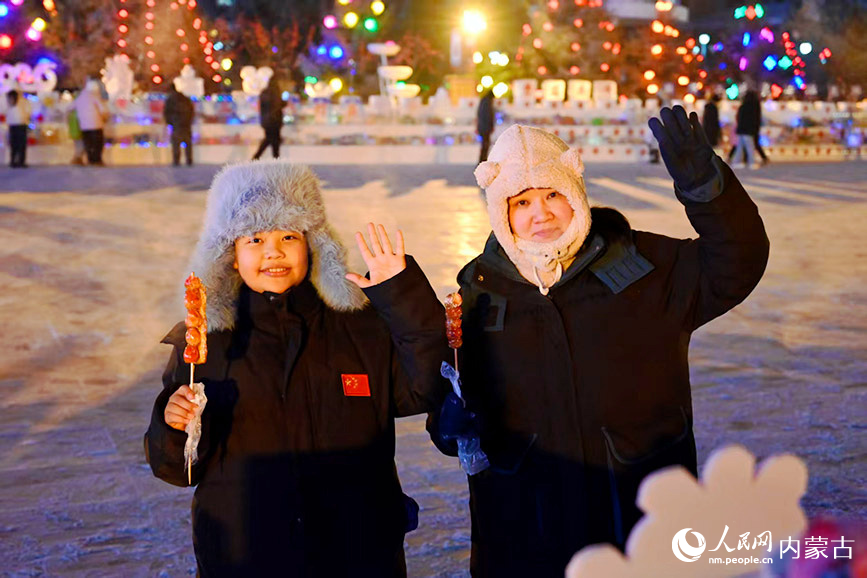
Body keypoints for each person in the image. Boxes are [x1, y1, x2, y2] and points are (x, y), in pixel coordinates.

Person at [428, 107, 769, 576]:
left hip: (640, 522)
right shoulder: (480, 294)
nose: (541, 214)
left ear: (575, 191)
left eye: (552, 194)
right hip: (527, 533)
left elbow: (736, 262)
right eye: (521, 202)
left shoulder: (642, 267)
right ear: (500, 212)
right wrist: (446, 425)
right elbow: (454, 403)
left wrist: (707, 188)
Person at [144, 160, 449, 577]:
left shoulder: (357, 326)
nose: (274, 251)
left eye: (289, 236)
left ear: (313, 243)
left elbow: (426, 388)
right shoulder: (206, 343)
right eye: (255, 238)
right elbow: (179, 469)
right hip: (247, 556)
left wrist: (403, 298)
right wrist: (174, 425)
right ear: (230, 255)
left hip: (356, 552)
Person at [75, 79, 108, 166]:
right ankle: (97, 160)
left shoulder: (79, 98)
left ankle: (90, 160)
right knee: (97, 144)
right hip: (96, 124)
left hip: (84, 126)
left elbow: (70, 108)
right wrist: (105, 117)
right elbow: (103, 109)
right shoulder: (94, 96)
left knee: (88, 144)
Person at [728, 89, 763, 168]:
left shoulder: (743, 106)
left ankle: (736, 162)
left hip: (741, 129)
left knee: (740, 146)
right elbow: (755, 120)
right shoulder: (754, 107)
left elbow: (738, 117)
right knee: (750, 146)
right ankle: (751, 162)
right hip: (748, 130)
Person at [252, 77, 284, 160]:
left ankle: (272, 157)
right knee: (272, 140)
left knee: (270, 139)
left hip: (266, 121)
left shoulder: (264, 92)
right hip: (275, 121)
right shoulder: (275, 93)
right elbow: (279, 105)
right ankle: (273, 158)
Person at [164, 84, 194, 166]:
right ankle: (189, 160)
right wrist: (189, 120)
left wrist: (169, 122)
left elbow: (167, 112)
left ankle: (176, 160)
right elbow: (191, 110)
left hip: (176, 124)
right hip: (186, 124)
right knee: (188, 142)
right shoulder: (185, 98)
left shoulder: (170, 99)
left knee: (176, 143)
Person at [5, 90, 30, 168]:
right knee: (14, 145)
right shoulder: (7, 103)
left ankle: (21, 162)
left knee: (22, 145)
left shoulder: (23, 102)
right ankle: (13, 161)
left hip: (21, 125)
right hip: (13, 126)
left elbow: (28, 111)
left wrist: (25, 119)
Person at [477, 89, 495, 163]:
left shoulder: (483, 101)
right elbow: (488, 116)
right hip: (486, 127)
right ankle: (483, 160)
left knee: (484, 145)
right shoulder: (487, 102)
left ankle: (482, 160)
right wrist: (491, 126)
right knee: (485, 145)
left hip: (482, 127)